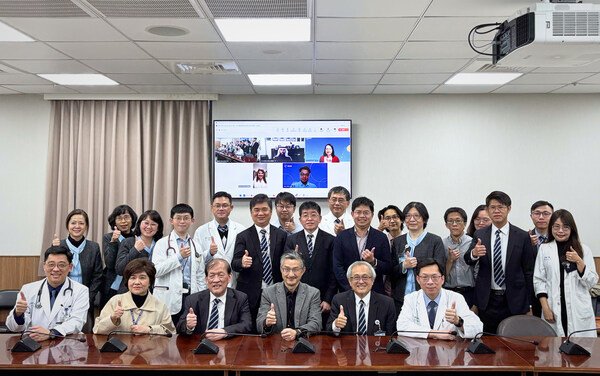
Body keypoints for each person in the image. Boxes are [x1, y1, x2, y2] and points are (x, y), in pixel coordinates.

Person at [464, 191, 535, 333]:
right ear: (488, 210)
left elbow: (529, 271)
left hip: (514, 300)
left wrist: (530, 304)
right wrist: (474, 254)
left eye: (501, 207)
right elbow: (468, 259)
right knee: (488, 341)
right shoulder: (480, 234)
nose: (496, 211)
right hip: (488, 299)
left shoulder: (522, 236)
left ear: (509, 208)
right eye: (492, 207)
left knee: (514, 342)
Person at [534, 209, 598, 337]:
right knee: (553, 351)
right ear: (551, 228)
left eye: (565, 227)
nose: (560, 231)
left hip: (578, 310)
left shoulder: (584, 250)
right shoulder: (545, 249)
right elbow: (539, 280)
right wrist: (545, 308)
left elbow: (592, 281)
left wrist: (579, 261)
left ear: (572, 229)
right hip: (552, 308)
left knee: (581, 351)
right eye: (556, 227)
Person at [7, 246, 89, 340]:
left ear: (70, 267)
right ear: (44, 266)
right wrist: (18, 314)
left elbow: (77, 322)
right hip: (35, 343)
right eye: (51, 264)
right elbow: (14, 328)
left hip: (66, 344)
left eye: (61, 265)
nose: (56, 269)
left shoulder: (81, 291)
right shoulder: (28, 289)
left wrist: (51, 333)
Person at [231, 194, 288, 327]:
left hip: (275, 289)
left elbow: (285, 260)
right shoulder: (243, 236)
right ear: (251, 213)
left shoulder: (281, 235)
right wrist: (242, 262)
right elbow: (234, 263)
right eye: (256, 210)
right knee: (251, 328)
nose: (260, 213)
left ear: (271, 211)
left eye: (264, 209)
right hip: (250, 291)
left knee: (275, 326)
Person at [396, 258, 483, 339]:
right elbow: (402, 326)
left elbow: (478, 329)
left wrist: (458, 322)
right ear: (418, 279)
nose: (430, 282)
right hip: (419, 350)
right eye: (425, 277)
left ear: (442, 279)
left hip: (448, 351)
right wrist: (434, 333)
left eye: (434, 277)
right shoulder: (411, 299)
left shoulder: (456, 298)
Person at [152, 203, 206, 325]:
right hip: (168, 296)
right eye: (178, 218)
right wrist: (178, 257)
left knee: (189, 334)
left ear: (192, 221)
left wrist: (202, 296)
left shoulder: (196, 246)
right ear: (172, 220)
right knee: (168, 334)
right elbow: (156, 271)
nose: (182, 221)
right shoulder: (162, 243)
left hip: (191, 296)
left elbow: (200, 275)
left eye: (186, 218)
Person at [285, 201, 337, 327]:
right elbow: (286, 270)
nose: (309, 219)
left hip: (322, 298)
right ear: (300, 219)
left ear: (320, 218)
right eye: (305, 215)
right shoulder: (291, 240)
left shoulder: (330, 240)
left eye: (313, 215)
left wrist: (328, 299)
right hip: (297, 296)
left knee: (320, 334)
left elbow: (333, 272)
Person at [93, 259, 175, 335]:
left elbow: (171, 333)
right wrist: (113, 318)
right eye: (132, 278)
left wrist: (149, 329)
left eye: (142, 278)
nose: (137, 282)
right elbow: (97, 330)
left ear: (150, 281)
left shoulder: (160, 306)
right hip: (120, 350)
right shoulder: (116, 301)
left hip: (149, 350)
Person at [53, 209, 102, 333]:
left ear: (86, 226)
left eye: (81, 223)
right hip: (62, 296)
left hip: (85, 297)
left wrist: (88, 297)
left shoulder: (93, 247)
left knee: (85, 334)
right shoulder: (59, 246)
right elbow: (52, 272)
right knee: (60, 333)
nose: (77, 226)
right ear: (67, 225)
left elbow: (98, 275)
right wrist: (54, 249)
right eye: (73, 223)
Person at [390, 202, 446, 313]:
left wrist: (418, 264)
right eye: (408, 216)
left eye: (417, 216)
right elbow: (391, 272)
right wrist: (404, 266)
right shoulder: (397, 242)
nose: (412, 219)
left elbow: (441, 268)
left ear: (424, 219)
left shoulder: (435, 241)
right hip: (401, 299)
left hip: (427, 297)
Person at [177, 259, 252, 339]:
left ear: (229, 278)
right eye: (212, 276)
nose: (216, 280)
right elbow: (179, 327)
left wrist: (225, 332)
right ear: (206, 279)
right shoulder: (193, 300)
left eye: (221, 275)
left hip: (229, 345)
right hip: (201, 345)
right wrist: (188, 326)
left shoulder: (240, 298)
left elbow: (247, 324)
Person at [333, 196, 392, 295]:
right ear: (352, 214)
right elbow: (337, 267)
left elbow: (388, 267)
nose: (362, 216)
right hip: (347, 292)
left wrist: (373, 261)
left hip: (375, 293)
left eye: (366, 212)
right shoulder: (342, 237)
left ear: (372, 215)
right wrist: (350, 288)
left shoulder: (381, 237)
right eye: (358, 212)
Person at [256, 253, 322, 338]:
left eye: (295, 269)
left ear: (303, 270)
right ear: (281, 269)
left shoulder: (313, 293)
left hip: (302, 343)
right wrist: (266, 322)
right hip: (276, 345)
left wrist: (297, 332)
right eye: (286, 269)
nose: (291, 274)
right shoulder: (268, 292)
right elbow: (259, 324)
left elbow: (316, 323)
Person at [328, 261, 396, 335]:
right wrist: (336, 325)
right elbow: (328, 331)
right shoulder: (339, 300)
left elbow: (391, 336)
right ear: (350, 281)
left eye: (365, 277)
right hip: (347, 346)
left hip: (375, 346)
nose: (361, 281)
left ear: (372, 280)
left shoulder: (387, 303)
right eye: (356, 277)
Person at [194, 191, 244, 288]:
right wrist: (209, 253)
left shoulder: (241, 229)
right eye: (217, 205)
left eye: (225, 205)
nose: (221, 209)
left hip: (235, 282)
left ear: (231, 208)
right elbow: (196, 260)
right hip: (211, 282)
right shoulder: (201, 231)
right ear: (212, 208)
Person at [115, 210, 164, 292]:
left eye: (153, 224)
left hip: (154, 292)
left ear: (158, 228)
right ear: (139, 224)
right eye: (146, 223)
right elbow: (119, 269)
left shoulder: (161, 244)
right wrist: (135, 250)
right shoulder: (128, 242)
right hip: (129, 291)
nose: (149, 227)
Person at [102, 205, 137, 308]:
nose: (123, 221)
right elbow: (109, 264)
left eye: (126, 217)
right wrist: (113, 242)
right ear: (114, 222)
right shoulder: (108, 237)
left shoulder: (137, 237)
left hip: (131, 284)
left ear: (132, 219)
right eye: (119, 218)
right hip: (112, 284)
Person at [442, 207, 475, 308]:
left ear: (465, 224)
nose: (454, 224)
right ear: (446, 225)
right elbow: (441, 273)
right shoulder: (442, 244)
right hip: (449, 291)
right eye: (450, 221)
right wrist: (450, 260)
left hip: (470, 292)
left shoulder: (472, 242)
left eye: (458, 221)